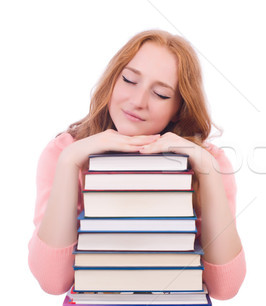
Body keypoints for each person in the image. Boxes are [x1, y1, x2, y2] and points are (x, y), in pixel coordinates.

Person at [28, 30, 245, 300]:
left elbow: (225, 289)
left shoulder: (208, 162)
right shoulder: (65, 152)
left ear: (179, 107)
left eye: (161, 94)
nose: (137, 102)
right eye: (129, 80)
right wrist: (70, 162)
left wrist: (208, 173)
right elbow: (52, 281)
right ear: (113, 79)